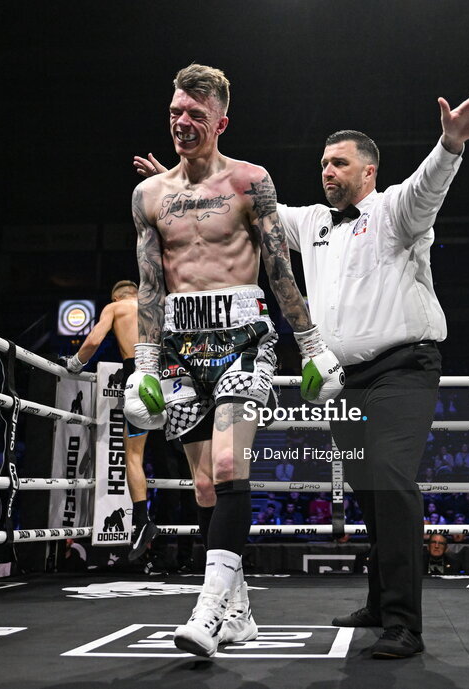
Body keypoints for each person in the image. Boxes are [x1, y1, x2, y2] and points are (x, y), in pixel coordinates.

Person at [137, 85, 469, 659]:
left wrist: (450, 144)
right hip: (344, 379)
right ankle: (381, 602)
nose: (327, 172)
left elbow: (428, 188)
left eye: (339, 163)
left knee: (389, 478)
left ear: (369, 171)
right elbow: (237, 206)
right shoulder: (308, 221)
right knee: (367, 489)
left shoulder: (395, 212)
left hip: (404, 368)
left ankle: (405, 622)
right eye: (323, 164)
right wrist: (185, 186)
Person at [125, 63, 343, 658]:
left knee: (226, 466)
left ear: (222, 120)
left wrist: (313, 346)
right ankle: (241, 610)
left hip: (244, 338)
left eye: (196, 113)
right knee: (201, 487)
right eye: (176, 111)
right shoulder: (150, 194)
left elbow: (279, 269)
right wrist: (144, 363)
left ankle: (208, 607)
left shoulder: (251, 181)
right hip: (178, 344)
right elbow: (149, 284)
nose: (183, 121)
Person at [63, 279, 160, 561]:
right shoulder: (156, 306)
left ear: (115, 296)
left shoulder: (116, 308)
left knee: (133, 456)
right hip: (170, 376)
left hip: (140, 376)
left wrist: (74, 364)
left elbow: (93, 340)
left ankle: (142, 522)